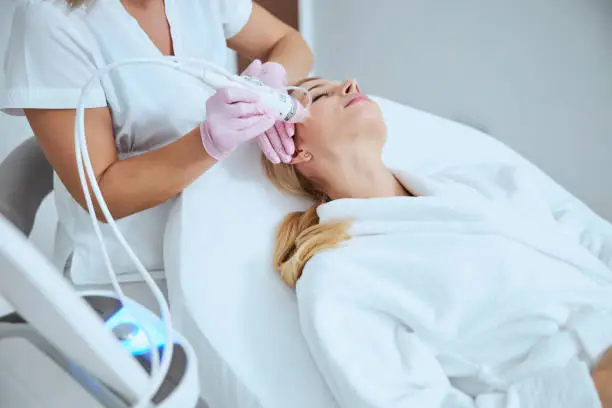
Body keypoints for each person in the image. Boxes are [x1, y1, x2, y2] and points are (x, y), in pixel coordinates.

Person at [263, 77, 612, 407]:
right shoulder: (340, 274)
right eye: (320, 94)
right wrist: (587, 393)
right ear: (296, 151)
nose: (350, 83)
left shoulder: (479, 183)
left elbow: (591, 238)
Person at [0, 0, 313, 288]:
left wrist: (272, 79)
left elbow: (289, 43)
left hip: (222, 247)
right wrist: (207, 143)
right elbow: (102, 192)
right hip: (131, 274)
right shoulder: (52, 20)